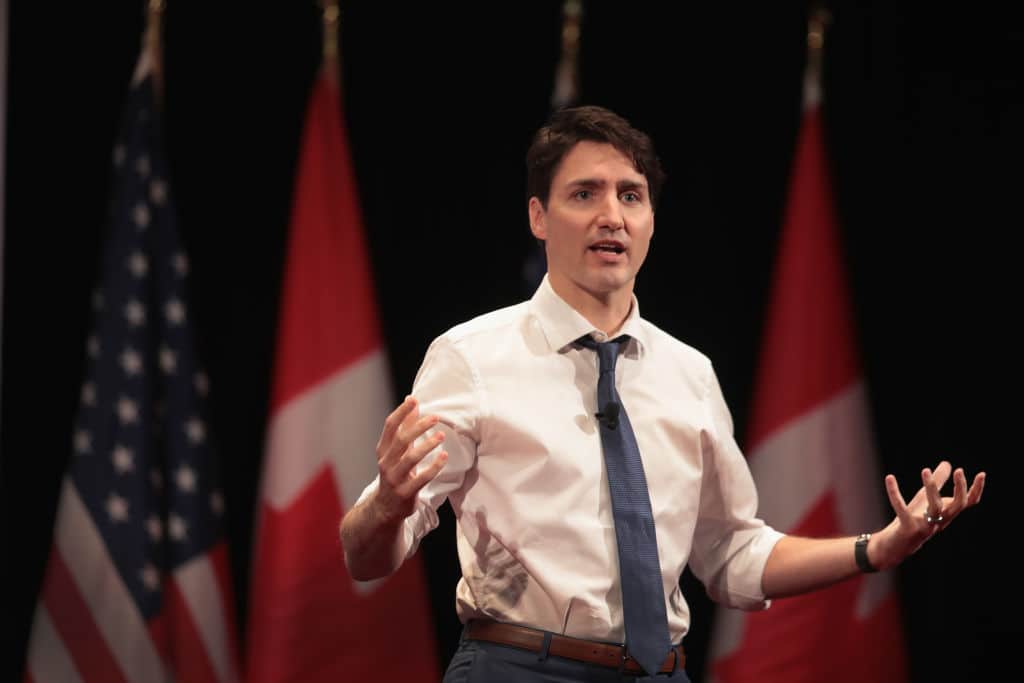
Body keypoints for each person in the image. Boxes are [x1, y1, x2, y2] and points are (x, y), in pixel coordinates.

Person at [339, 105, 985, 682]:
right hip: (517, 667)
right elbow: (366, 557)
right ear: (538, 216)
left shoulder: (689, 374)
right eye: (584, 193)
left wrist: (876, 548)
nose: (611, 216)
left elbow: (732, 553)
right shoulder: (472, 358)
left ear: (650, 220)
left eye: (631, 195)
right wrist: (389, 506)